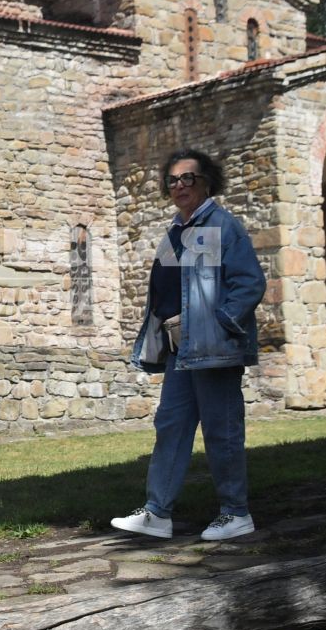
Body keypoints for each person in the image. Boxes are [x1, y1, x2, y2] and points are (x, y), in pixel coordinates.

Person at [113, 149, 266, 543]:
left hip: (213, 351)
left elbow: (249, 283)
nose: (180, 186)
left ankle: (236, 513)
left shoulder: (221, 226)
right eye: (173, 180)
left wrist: (220, 323)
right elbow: (165, 290)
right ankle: (157, 513)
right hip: (181, 351)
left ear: (206, 181)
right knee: (171, 428)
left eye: (189, 178)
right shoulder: (175, 232)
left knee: (222, 431)